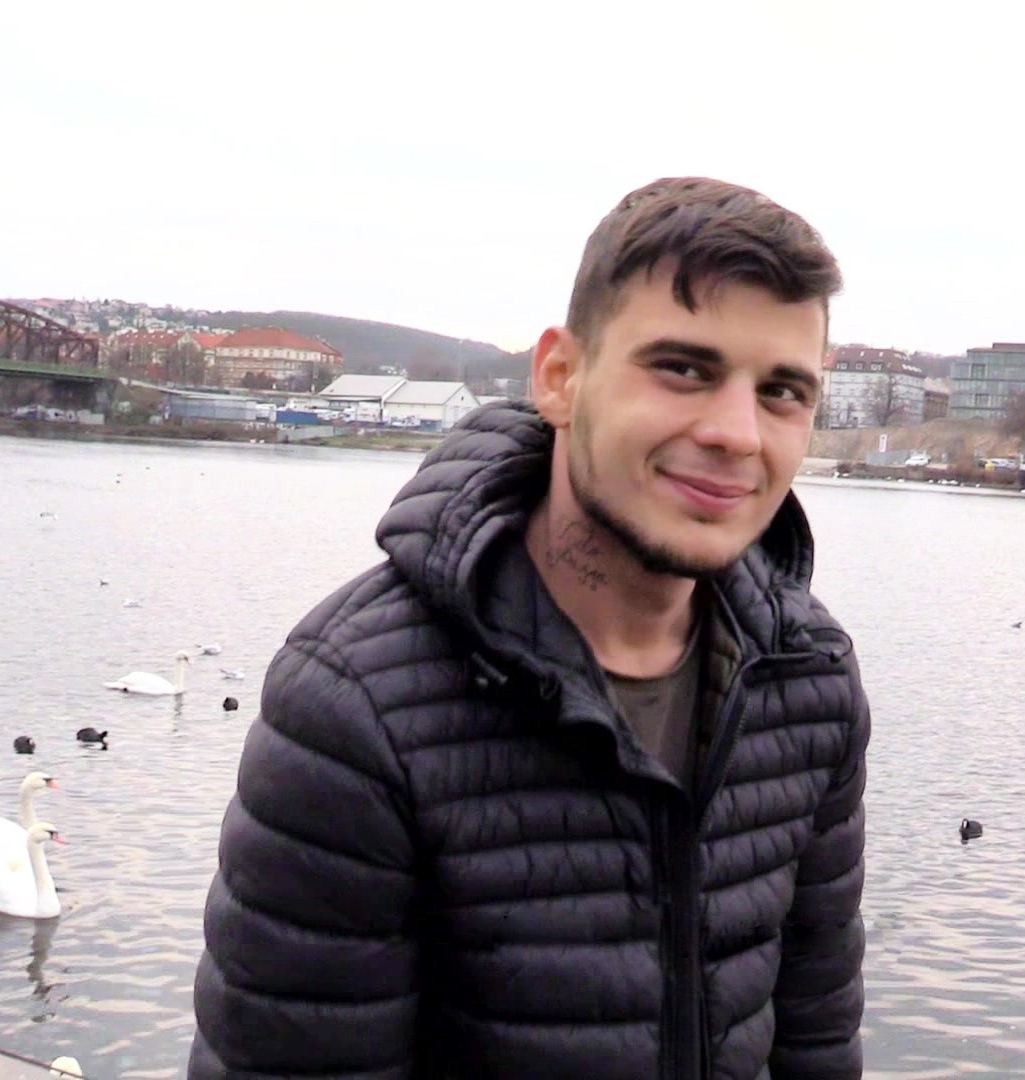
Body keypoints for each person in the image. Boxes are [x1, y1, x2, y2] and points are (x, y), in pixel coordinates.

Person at [189, 177, 871, 1079]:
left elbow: (816, 1045)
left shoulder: (809, 677)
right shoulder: (357, 709)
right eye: (683, 369)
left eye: (781, 391)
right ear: (560, 378)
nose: (739, 435)